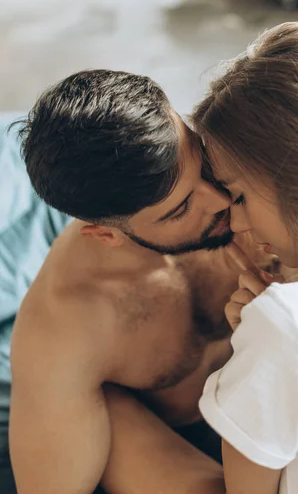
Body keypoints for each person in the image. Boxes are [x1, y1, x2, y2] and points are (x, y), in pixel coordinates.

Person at [97, 22, 298, 494]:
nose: (235, 223)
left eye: (236, 194)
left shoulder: (292, 321)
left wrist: (268, 340)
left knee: (111, 409)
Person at [8, 70, 280, 494]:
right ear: (107, 234)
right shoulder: (69, 328)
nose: (223, 199)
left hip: (270, 398)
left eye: (203, 164)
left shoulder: (247, 165)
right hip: (169, 431)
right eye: (180, 209)